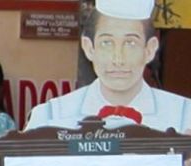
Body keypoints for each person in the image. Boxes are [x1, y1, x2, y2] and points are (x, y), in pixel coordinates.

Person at [23, 0, 191, 132]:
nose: (118, 59)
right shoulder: (50, 116)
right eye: (106, 43)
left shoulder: (184, 116)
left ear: (150, 49)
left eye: (130, 43)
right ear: (89, 48)